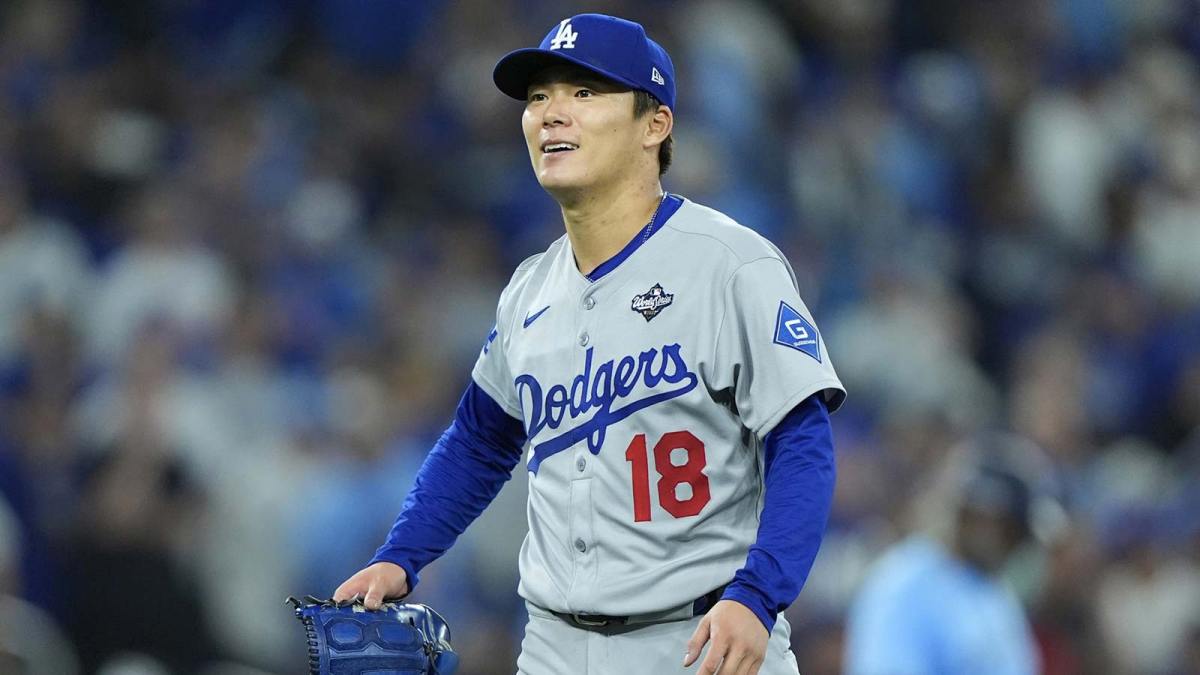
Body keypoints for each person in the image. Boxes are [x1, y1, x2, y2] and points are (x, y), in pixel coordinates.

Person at [334, 13, 846, 675]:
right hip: (553, 645)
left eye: (584, 93)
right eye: (540, 96)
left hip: (704, 640)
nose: (552, 114)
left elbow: (802, 440)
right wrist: (401, 554)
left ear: (654, 125)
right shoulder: (529, 288)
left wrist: (759, 594)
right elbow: (480, 440)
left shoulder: (731, 264)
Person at [843, 433, 1066, 675]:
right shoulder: (903, 586)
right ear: (982, 519)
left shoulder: (996, 593)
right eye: (1013, 531)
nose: (1017, 547)